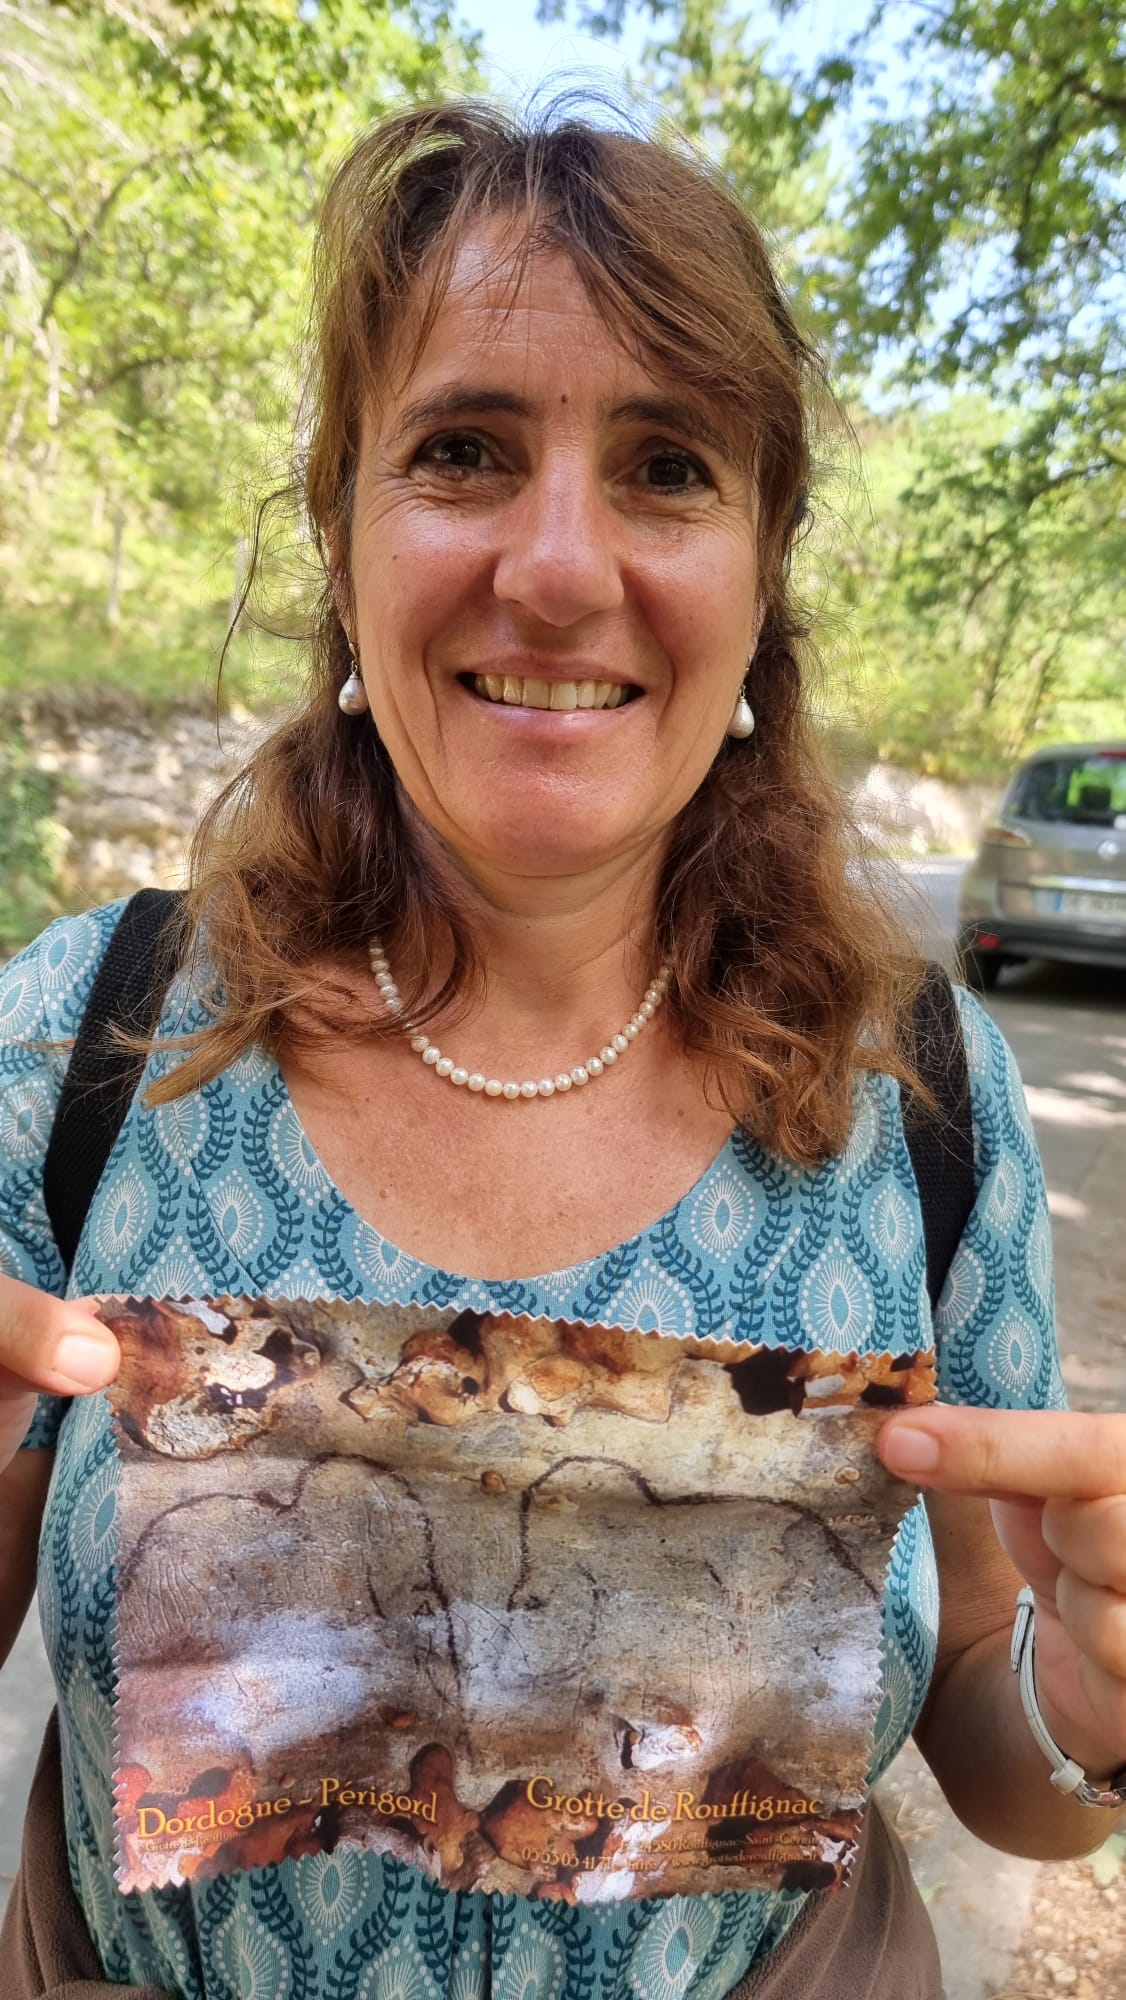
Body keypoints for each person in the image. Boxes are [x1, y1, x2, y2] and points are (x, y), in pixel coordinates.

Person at [1, 99, 1123, 2000]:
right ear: (340, 534)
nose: (556, 565)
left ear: (759, 575)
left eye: (667, 467)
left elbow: (993, 1726)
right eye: (462, 451)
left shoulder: (919, 1100)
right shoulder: (87, 1045)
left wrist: (1092, 1712)